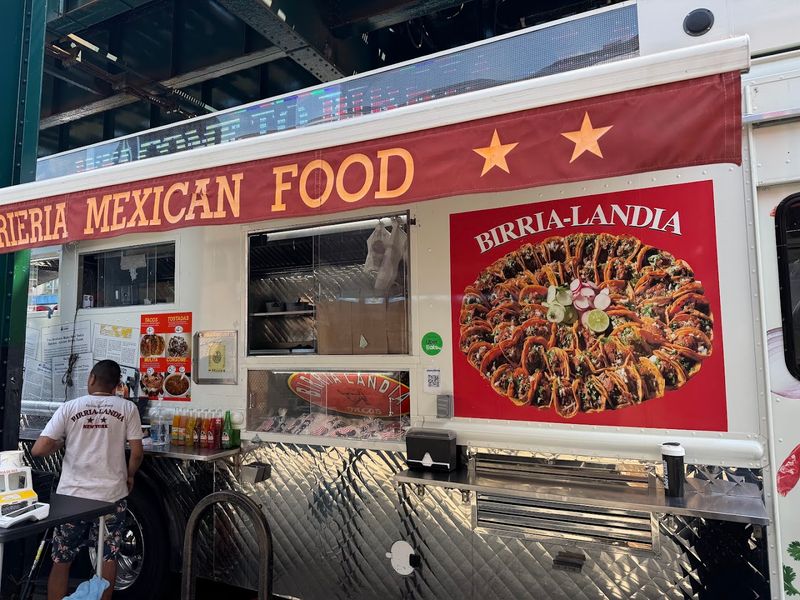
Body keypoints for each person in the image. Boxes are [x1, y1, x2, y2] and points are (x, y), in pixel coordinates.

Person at [32, 360, 144, 600]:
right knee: (108, 556)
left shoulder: (70, 407)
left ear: (91, 378)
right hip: (111, 498)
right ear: (117, 385)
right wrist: (130, 475)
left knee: (62, 558)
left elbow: (39, 449)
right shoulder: (128, 409)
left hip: (71, 499)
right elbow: (136, 452)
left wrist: (61, 443)